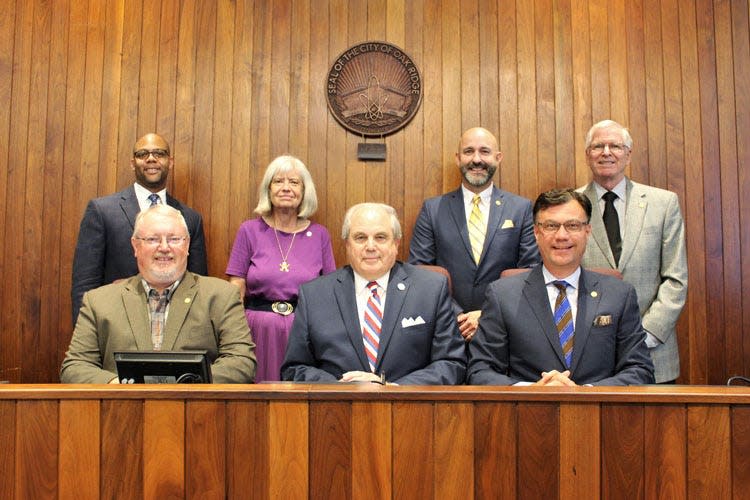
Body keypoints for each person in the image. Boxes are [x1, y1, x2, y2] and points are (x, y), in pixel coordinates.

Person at [467, 189, 654, 386]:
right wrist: (531, 390)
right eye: (551, 226)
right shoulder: (502, 295)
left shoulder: (619, 295)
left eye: (572, 225)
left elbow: (640, 369)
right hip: (526, 411)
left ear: (587, 231)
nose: (561, 235)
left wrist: (586, 392)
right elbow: (480, 370)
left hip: (600, 412)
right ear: (536, 232)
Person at [61, 205, 256, 384]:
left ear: (187, 245)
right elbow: (75, 367)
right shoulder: (98, 301)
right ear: (136, 246)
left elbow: (242, 362)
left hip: (198, 414)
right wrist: (116, 386)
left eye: (174, 239)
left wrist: (188, 383)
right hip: (123, 414)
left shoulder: (221, 296)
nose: (164, 248)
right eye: (153, 239)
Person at [281, 203, 466, 385]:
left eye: (380, 237)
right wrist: (342, 387)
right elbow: (295, 368)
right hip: (338, 409)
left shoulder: (431, 288)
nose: (370, 246)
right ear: (347, 244)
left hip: (409, 409)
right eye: (360, 237)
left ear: (396, 243)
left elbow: (451, 364)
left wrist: (393, 388)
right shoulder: (314, 295)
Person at [577, 120, 687, 383]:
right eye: (597, 146)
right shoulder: (571, 205)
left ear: (628, 154)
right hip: (589, 356)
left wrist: (644, 335)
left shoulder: (663, 203)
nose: (606, 152)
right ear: (587, 155)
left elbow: (676, 279)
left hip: (654, 355)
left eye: (615, 145)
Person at [408, 127, 539, 341]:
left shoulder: (521, 208)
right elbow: (420, 272)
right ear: (458, 158)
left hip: (504, 330)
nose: (476, 159)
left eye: (485, 152)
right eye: (469, 151)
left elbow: (529, 272)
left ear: (498, 158)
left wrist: (487, 315)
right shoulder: (433, 210)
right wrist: (459, 316)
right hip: (447, 329)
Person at [71, 133, 208, 325]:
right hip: (117, 324)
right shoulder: (102, 211)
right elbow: (85, 282)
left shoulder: (190, 218)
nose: (151, 158)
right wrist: (86, 333)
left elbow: (197, 284)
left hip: (174, 329)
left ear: (170, 162)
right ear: (132, 163)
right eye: (143, 154)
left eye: (159, 153)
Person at [226, 155, 336, 382]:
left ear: (305, 191)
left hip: (304, 331)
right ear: (268, 189)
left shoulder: (320, 235)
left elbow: (330, 290)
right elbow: (236, 285)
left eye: (294, 182)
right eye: (278, 181)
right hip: (256, 330)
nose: (286, 188)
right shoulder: (249, 230)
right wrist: (234, 333)